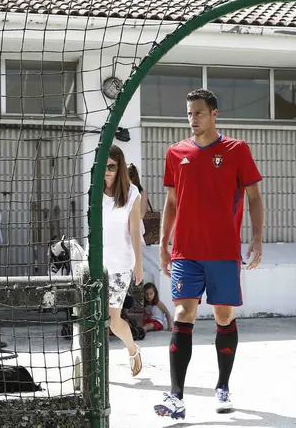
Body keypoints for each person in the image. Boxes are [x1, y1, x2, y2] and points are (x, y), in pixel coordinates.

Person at [154, 89, 264, 419]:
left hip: (223, 251)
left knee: (224, 317)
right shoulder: (176, 153)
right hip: (186, 251)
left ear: (214, 114)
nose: (193, 119)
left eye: (198, 113)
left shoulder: (236, 150)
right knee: (184, 314)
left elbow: (255, 198)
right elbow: (171, 203)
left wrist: (257, 237)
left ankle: (223, 386)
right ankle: (176, 397)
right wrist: (163, 242)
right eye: (189, 113)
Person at [102, 144, 145, 377]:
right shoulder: (93, 190)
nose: (107, 171)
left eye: (112, 167)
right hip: (96, 265)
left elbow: (135, 231)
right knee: (91, 318)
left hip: (120, 265)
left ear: (119, 168)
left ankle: (132, 349)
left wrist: (139, 263)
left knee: (112, 320)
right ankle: (92, 367)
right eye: (104, 166)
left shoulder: (132, 194)